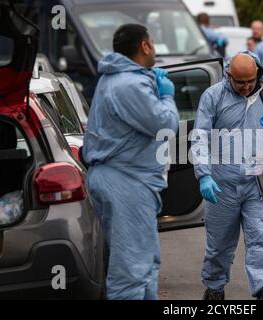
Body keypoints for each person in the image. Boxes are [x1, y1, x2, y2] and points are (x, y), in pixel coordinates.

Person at [82, 24, 179, 300]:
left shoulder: (120, 79)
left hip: (126, 180)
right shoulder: (129, 84)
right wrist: (167, 95)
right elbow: (165, 125)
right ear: (145, 46)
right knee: (131, 271)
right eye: (153, 43)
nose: (155, 49)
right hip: (125, 182)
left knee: (146, 263)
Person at [192, 52, 263, 300]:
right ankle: (215, 286)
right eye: (240, 82)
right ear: (229, 76)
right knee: (219, 245)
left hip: (256, 182)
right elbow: (200, 136)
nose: (247, 87)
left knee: (260, 238)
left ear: (258, 73)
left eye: (251, 80)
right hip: (222, 184)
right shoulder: (213, 97)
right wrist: (204, 174)